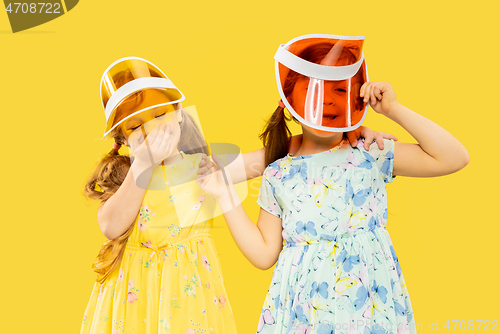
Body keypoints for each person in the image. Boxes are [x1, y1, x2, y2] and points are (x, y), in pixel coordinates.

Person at [80, 56, 393, 334]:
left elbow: (272, 155)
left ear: (178, 113)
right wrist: (143, 166)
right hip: (137, 303)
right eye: (135, 127)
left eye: (159, 115)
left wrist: (346, 132)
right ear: (122, 138)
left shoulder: (205, 169)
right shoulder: (128, 176)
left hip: (189, 300)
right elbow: (109, 225)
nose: (152, 130)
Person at [196, 35, 470, 334]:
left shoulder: (368, 151)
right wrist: (224, 195)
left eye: (339, 89)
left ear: (355, 98)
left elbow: (453, 158)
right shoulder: (279, 173)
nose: (327, 99)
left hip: (369, 306)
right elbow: (263, 254)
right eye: (313, 90)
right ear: (288, 102)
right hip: (305, 313)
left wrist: (393, 109)